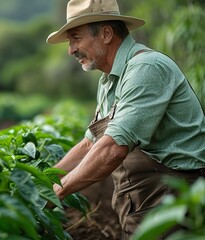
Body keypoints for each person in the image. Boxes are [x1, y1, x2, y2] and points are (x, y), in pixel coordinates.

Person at [46, 0, 205, 238]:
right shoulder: (110, 80)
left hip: (172, 202)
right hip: (144, 202)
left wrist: (57, 192)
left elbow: (113, 149)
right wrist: (45, 179)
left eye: (76, 38)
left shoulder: (146, 68)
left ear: (106, 33)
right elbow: (90, 143)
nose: (71, 49)